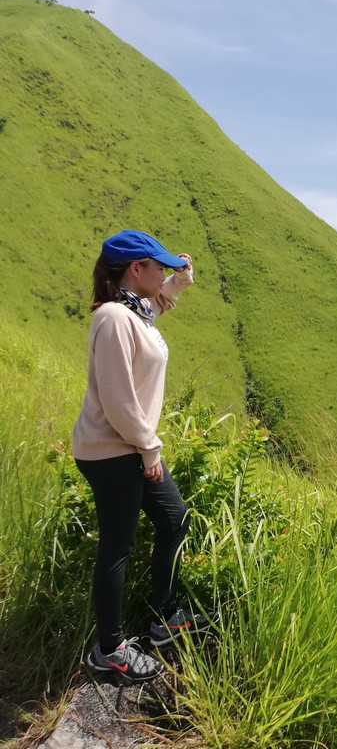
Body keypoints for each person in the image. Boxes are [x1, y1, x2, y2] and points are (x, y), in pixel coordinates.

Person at [73, 230, 210, 682]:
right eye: (160, 266)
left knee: (175, 519)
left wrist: (179, 284)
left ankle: (162, 616)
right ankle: (109, 652)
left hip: (132, 446)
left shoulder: (133, 311)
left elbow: (154, 308)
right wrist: (149, 449)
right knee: (118, 546)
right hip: (113, 450)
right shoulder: (113, 318)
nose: (166, 272)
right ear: (137, 269)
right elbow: (118, 399)